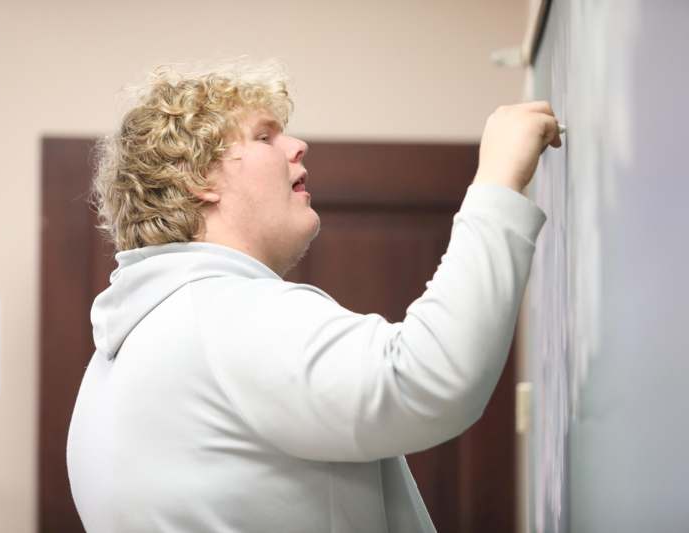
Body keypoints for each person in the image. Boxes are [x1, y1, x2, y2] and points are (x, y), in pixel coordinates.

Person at [66, 60, 562, 533]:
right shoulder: (223, 314)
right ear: (199, 179)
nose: (298, 146)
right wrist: (498, 182)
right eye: (264, 137)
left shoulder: (118, 358)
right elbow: (426, 378)